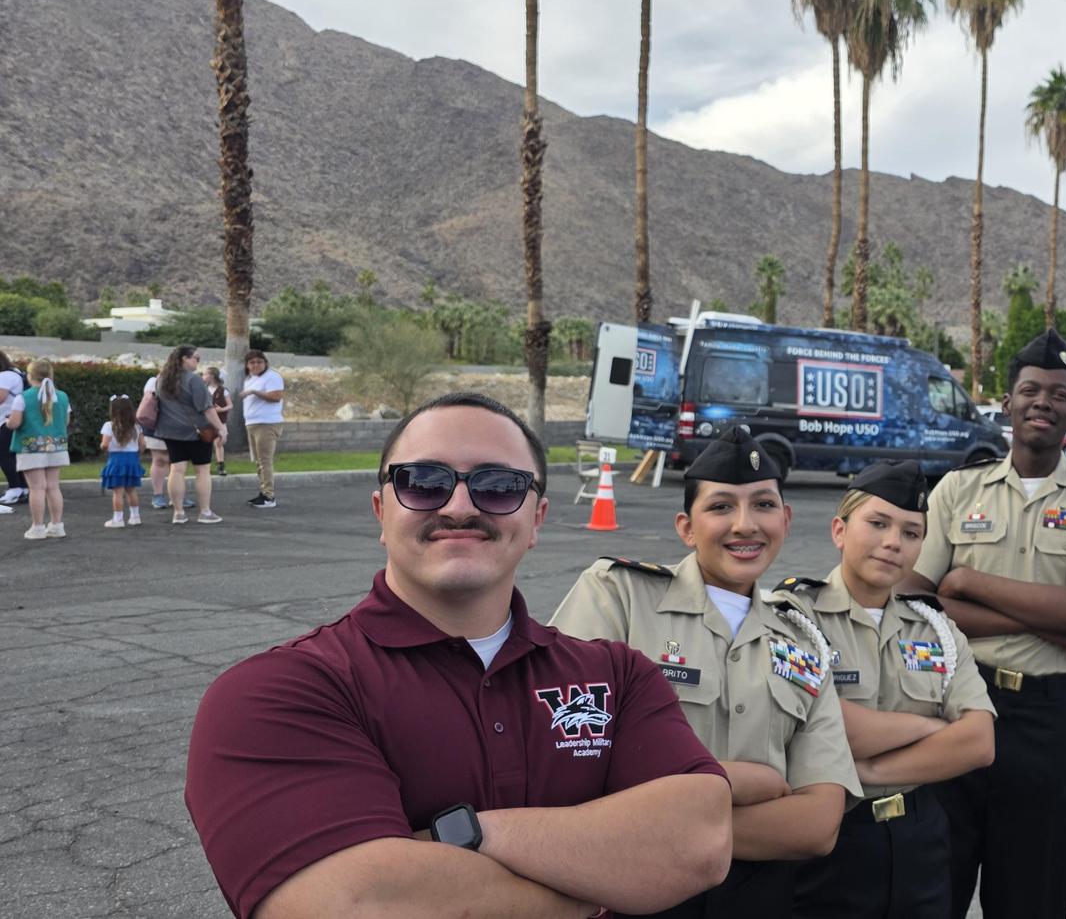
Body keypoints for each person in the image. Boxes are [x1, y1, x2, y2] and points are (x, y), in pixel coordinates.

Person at [185, 392, 732, 919]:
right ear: (382, 511)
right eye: (423, 482)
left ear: (537, 519)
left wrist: (465, 834)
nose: (460, 506)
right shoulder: (275, 694)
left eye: (498, 486)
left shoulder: (616, 674)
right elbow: (349, 904)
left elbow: (698, 841)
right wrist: (600, 886)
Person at [550, 425, 860, 919]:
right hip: (630, 896)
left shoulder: (803, 642)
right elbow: (567, 758)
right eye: (720, 507)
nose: (745, 524)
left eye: (762, 505)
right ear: (686, 527)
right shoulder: (618, 598)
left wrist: (664, 813)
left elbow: (818, 825)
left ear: (786, 517)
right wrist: (750, 781)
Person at [897, 330, 1066, 919]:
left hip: (1050, 727)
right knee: (934, 893)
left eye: (1058, 393)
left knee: (1033, 900)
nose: (1043, 401)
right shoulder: (960, 489)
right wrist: (1048, 626)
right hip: (956, 708)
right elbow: (913, 603)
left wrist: (965, 583)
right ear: (1007, 403)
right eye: (1029, 389)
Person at [774, 460, 997, 919]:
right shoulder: (791, 618)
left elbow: (979, 742)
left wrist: (867, 769)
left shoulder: (935, 629)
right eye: (878, 524)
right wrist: (931, 725)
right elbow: (834, 727)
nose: (894, 542)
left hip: (920, 840)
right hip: (830, 838)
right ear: (840, 530)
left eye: (912, 533)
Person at [152, 345, 225, 524]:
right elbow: (207, 408)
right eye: (196, 358)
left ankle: (178, 512)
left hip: (170, 431)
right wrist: (221, 428)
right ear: (185, 358)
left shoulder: (162, 379)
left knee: (176, 470)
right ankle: (205, 512)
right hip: (197, 432)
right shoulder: (194, 380)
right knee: (202, 471)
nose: (198, 361)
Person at [7, 360, 70, 539]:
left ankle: (38, 527)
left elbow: (15, 423)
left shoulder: (23, 397)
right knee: (53, 486)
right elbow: (65, 421)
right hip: (57, 446)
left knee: (36, 488)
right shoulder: (63, 396)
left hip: (30, 448)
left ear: (30, 375)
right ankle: (57, 525)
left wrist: (8, 421)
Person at [141, 372, 194, 511]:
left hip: (177, 426)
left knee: (177, 461)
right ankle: (158, 495)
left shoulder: (186, 382)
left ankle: (177, 496)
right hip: (156, 426)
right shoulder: (154, 381)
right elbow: (149, 400)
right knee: (160, 459)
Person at [240, 349, 285, 508]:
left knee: (265, 461)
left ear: (265, 363)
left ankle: (269, 496)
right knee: (259, 461)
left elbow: (276, 397)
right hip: (252, 423)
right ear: (247, 365)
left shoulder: (272, 377)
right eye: (252, 362)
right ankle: (263, 491)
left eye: (259, 361)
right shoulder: (249, 379)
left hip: (267, 423)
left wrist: (254, 392)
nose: (256, 365)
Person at [100, 394, 145, 528]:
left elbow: (105, 444)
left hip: (116, 460)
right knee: (131, 490)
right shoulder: (136, 426)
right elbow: (143, 444)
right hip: (132, 460)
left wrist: (103, 448)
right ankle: (135, 516)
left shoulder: (109, 425)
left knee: (118, 491)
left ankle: (118, 519)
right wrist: (138, 453)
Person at [0, 349, 26, 511]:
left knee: (4, 456)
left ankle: (15, 487)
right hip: (13, 420)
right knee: (13, 456)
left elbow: (1, 398)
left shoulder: (5, 376)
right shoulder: (15, 374)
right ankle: (22, 487)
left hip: (6, 421)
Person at [203, 366, 232, 475]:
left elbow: (230, 405)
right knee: (206, 444)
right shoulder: (203, 389)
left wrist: (221, 409)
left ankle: (220, 466)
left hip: (220, 421)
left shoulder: (223, 390)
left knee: (220, 443)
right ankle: (206, 467)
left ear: (212, 376)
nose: (203, 376)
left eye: (206, 374)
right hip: (206, 422)